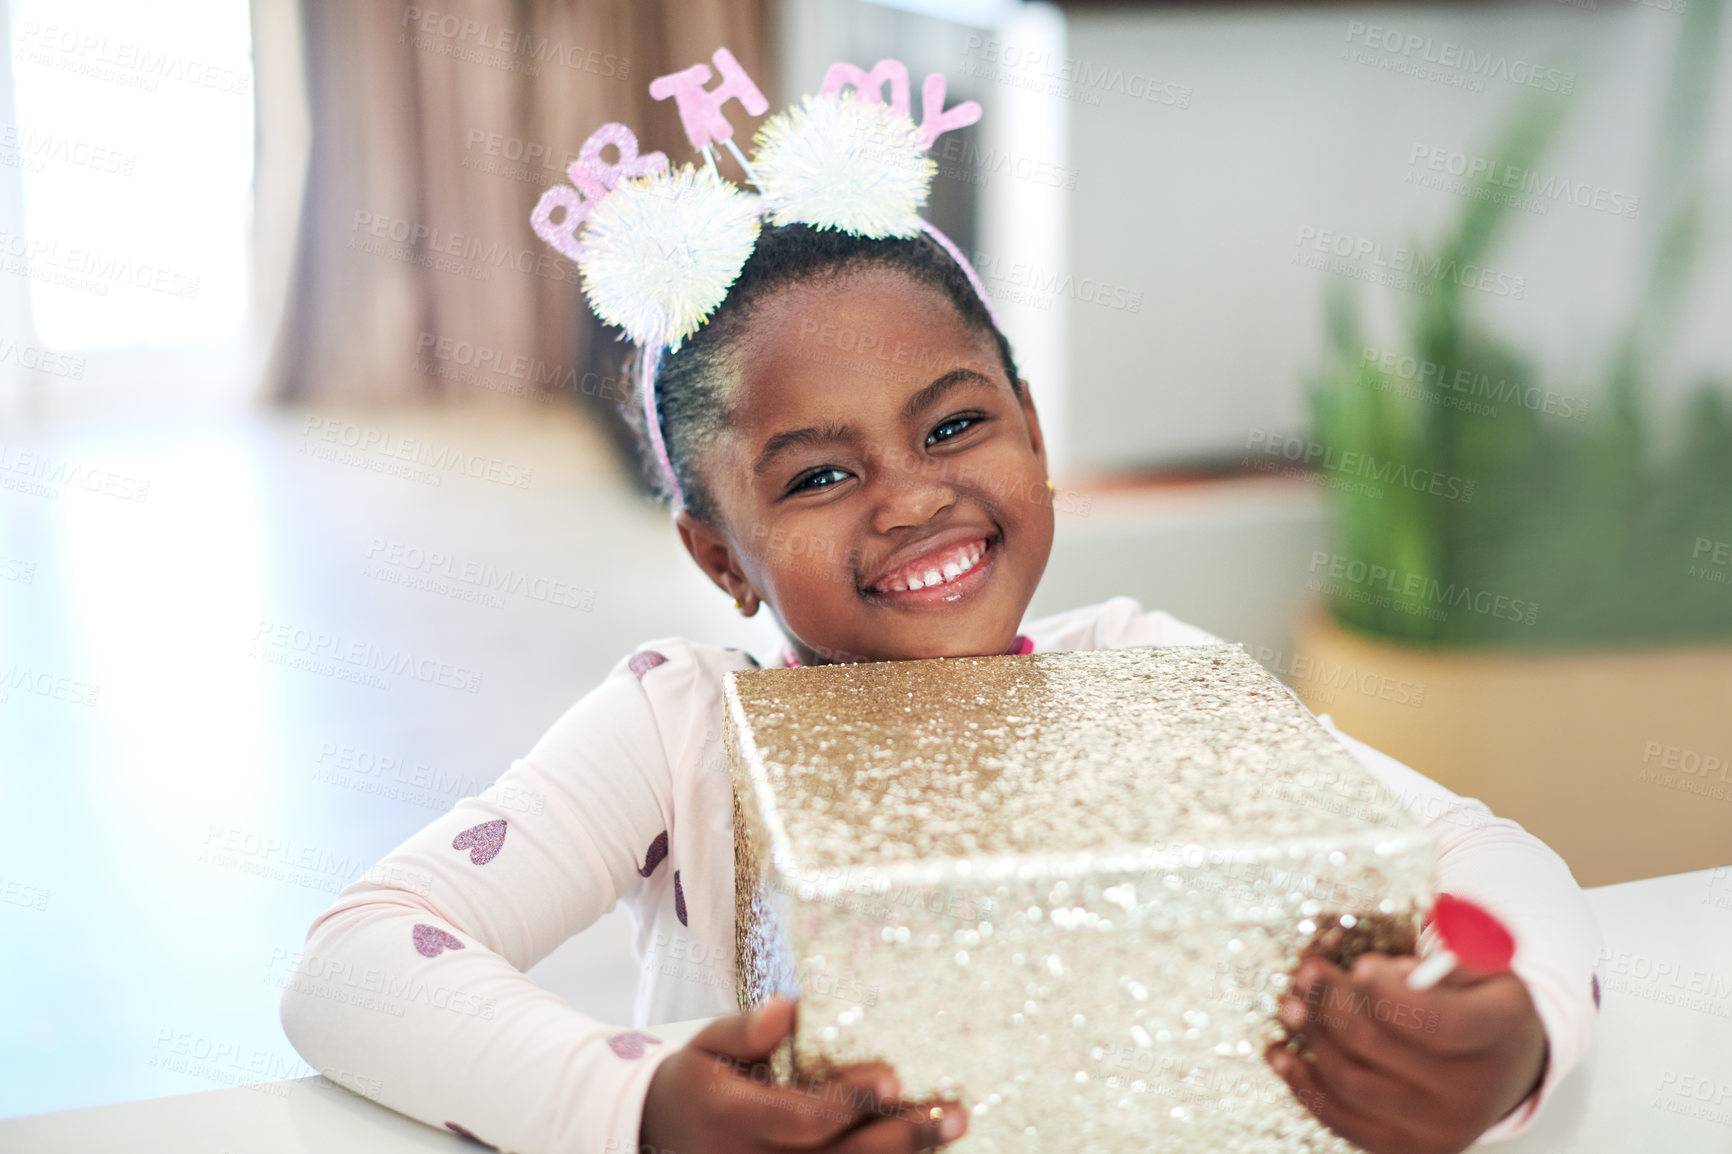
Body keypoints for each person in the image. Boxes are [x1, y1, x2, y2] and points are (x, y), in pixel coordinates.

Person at [281, 65, 1601, 1154]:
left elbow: (1480, 852)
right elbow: (352, 962)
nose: (912, 501)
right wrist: (635, 1103)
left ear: (1030, 432)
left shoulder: (1147, 671)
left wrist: (1521, 1026)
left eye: (956, 424)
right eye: (820, 474)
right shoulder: (675, 728)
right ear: (719, 554)